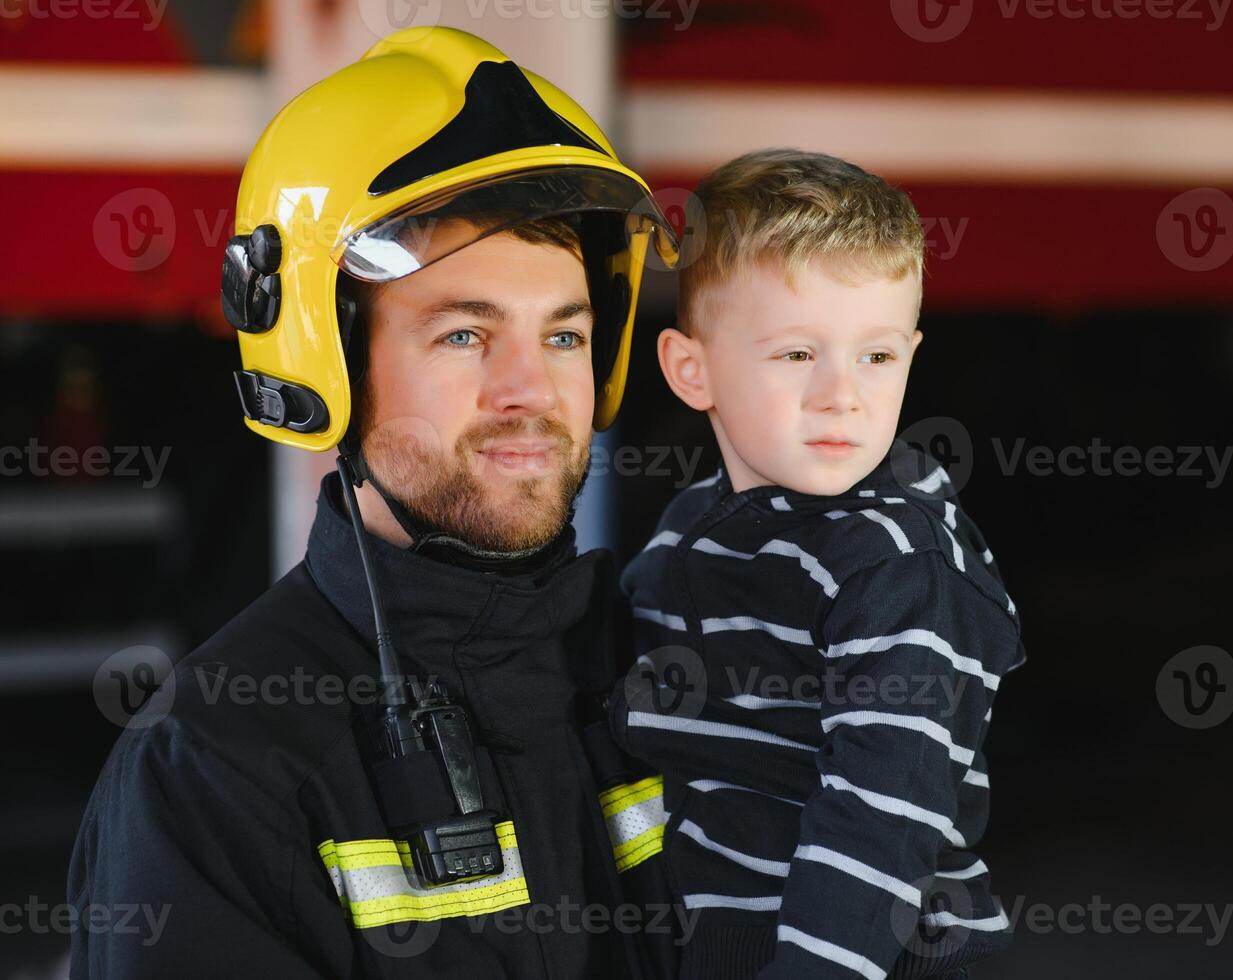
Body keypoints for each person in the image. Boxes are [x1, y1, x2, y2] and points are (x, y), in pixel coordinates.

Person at [68, 27, 681, 979]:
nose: (529, 388)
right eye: (464, 335)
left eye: (563, 337)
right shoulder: (218, 770)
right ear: (328, 358)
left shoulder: (678, 672)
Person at [608, 149, 1027, 979]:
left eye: (875, 357)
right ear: (692, 371)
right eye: (797, 354)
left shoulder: (898, 567)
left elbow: (884, 811)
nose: (843, 394)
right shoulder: (685, 533)